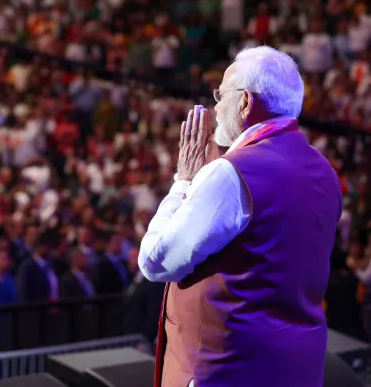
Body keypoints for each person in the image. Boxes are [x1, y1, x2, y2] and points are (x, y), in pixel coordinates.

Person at [139, 46, 343, 387]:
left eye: (222, 94)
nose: (217, 106)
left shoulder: (231, 172)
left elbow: (156, 261)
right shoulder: (325, 172)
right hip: (297, 370)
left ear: (245, 102)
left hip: (228, 370)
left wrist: (184, 180)